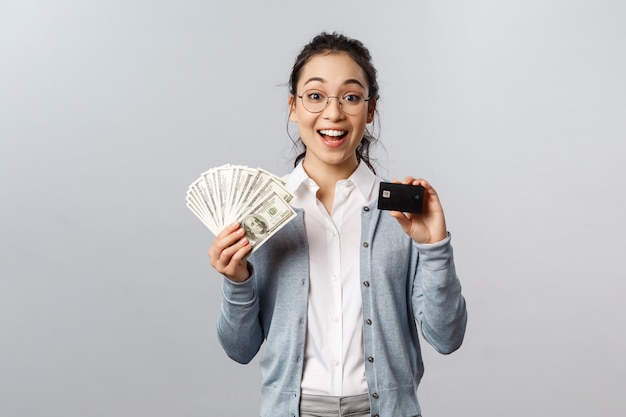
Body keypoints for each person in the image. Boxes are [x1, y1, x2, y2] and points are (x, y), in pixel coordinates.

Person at [208, 32, 467, 417]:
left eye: (350, 96)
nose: (333, 114)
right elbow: (239, 348)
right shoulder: (260, 210)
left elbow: (446, 338)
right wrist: (237, 282)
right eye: (315, 96)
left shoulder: (403, 214)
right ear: (293, 107)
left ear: (370, 109)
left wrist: (434, 249)